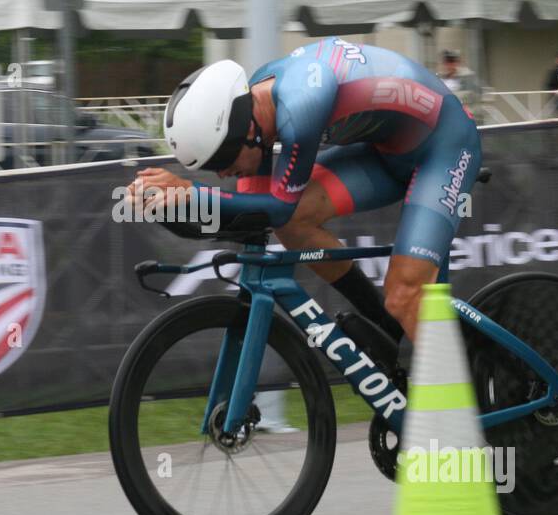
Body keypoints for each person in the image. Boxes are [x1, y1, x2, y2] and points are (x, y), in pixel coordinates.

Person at [127, 39, 482, 345]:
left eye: (221, 158)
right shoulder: (254, 107)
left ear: (244, 129)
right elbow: (255, 217)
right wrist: (170, 209)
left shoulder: (300, 106)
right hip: (386, 150)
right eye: (210, 167)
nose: (222, 172)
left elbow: (276, 206)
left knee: (405, 295)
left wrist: (192, 193)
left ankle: (467, 412)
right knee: (295, 224)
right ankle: (387, 330)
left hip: (444, 146)